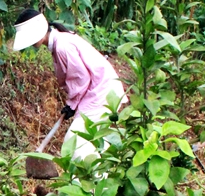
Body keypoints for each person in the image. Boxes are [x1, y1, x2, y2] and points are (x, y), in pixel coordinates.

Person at [11, 8, 126, 160]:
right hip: (98, 92)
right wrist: (72, 105)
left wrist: (71, 104)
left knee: (75, 142)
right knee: (93, 142)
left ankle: (93, 181)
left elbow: (81, 79)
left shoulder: (62, 46)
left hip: (102, 93)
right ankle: (107, 178)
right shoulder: (60, 41)